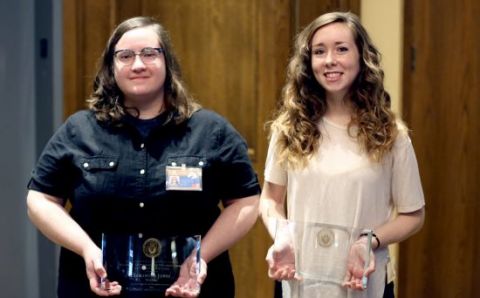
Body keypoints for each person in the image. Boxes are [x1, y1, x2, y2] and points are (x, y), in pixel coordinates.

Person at [26, 16, 260, 298]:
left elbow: (246, 201)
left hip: (193, 290)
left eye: (149, 53)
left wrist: (202, 256)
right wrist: (86, 248)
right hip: (96, 289)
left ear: (167, 62)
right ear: (111, 68)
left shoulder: (212, 131)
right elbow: (40, 199)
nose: (138, 64)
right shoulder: (79, 130)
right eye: (125, 56)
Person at [259, 12, 425, 298]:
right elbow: (271, 200)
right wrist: (281, 233)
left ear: (362, 57)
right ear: (308, 64)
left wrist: (369, 241)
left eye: (342, 49)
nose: (329, 60)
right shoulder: (288, 128)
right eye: (319, 51)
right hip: (298, 278)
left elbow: (413, 214)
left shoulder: (391, 135)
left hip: (363, 282)